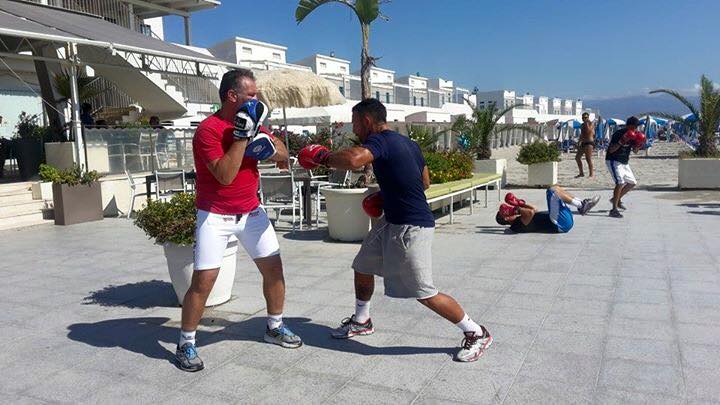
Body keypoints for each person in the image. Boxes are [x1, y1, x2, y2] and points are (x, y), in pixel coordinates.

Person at [298, 98, 492, 363]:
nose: (354, 130)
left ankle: (476, 332)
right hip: (391, 221)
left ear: (366, 121)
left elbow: (355, 159)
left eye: (355, 123)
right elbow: (424, 182)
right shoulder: (409, 144)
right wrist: (388, 195)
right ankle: (362, 319)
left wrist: (321, 156)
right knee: (362, 266)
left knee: (423, 292)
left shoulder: (380, 140)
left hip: (412, 227)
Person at [175, 68, 302, 372]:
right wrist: (243, 138)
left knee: (274, 271)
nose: (258, 99)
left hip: (252, 213)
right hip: (215, 215)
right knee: (203, 282)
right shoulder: (208, 130)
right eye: (252, 95)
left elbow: (284, 154)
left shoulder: (254, 123)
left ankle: (274, 327)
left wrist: (268, 145)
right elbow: (225, 174)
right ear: (233, 96)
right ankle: (186, 343)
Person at [496, 187, 599, 233]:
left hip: (560, 220)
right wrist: (516, 209)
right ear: (506, 217)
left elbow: (534, 209)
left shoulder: (519, 218)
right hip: (559, 224)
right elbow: (530, 213)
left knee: (556, 188)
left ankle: (581, 204)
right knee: (552, 192)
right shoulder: (516, 226)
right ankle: (581, 205)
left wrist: (519, 203)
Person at [606, 116, 644, 218]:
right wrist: (622, 141)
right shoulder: (618, 134)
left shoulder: (634, 135)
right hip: (614, 160)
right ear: (629, 125)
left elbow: (635, 151)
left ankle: (615, 199)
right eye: (635, 127)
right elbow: (611, 150)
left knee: (632, 183)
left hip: (624, 162)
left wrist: (639, 144)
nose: (636, 129)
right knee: (620, 182)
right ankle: (614, 209)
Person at [575, 112, 596, 178]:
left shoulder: (591, 123)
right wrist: (579, 142)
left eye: (585, 117)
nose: (584, 119)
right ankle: (581, 173)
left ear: (588, 117)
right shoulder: (582, 125)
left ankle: (591, 174)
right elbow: (582, 134)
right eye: (583, 117)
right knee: (577, 157)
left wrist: (586, 123)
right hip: (583, 143)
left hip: (589, 142)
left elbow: (588, 131)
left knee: (588, 159)